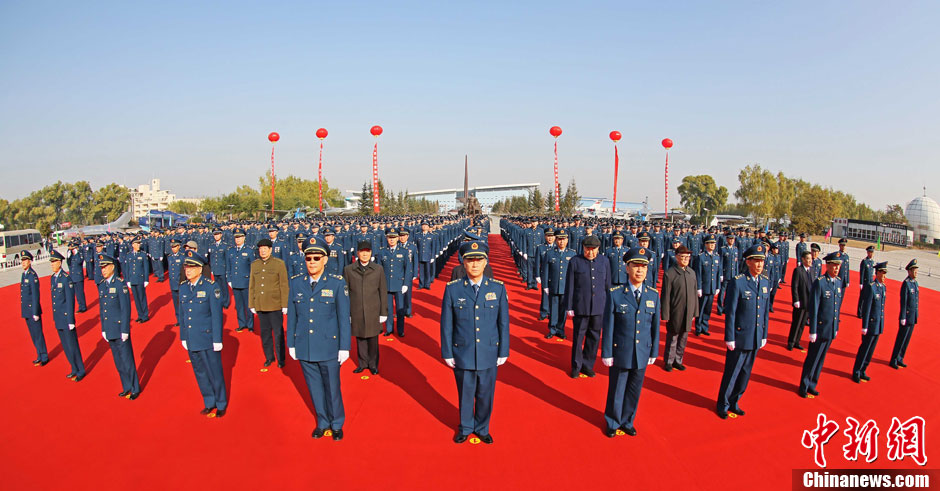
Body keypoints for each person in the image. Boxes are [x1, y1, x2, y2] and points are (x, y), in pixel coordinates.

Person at [441, 240, 509, 444]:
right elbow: (446, 323)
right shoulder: (453, 289)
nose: (475, 264)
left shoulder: (497, 288)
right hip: (463, 350)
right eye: (470, 260)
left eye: (479, 260)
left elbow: (503, 322)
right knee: (465, 392)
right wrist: (447, 352)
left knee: (486, 394)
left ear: (486, 262)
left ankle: (482, 427)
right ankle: (466, 426)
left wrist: (503, 350)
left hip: (489, 350)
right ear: (463, 263)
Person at [287, 237, 351, 441]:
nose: (312, 261)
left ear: (325, 260)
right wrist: (291, 343)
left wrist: (344, 347)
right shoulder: (296, 283)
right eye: (308, 258)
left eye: (316, 257)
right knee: (314, 388)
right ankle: (323, 422)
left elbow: (343, 317)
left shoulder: (337, 283)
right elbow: (292, 316)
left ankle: (337, 422)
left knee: (332, 388)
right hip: (305, 345)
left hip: (328, 346)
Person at [601, 246, 660, 437]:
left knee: (635, 390)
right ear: (627, 268)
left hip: (642, 350)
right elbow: (609, 326)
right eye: (635, 266)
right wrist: (607, 352)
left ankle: (627, 420)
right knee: (617, 389)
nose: (640, 270)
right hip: (621, 350)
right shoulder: (616, 293)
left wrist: (654, 351)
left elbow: (655, 327)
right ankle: (612, 421)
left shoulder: (653, 295)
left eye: (643, 266)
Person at [716, 244, 770, 419]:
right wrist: (729, 337)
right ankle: (723, 403)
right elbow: (730, 312)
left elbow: (765, 312)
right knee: (732, 372)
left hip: (755, 336)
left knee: (746, 373)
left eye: (762, 261)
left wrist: (764, 334)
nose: (760, 264)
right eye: (756, 261)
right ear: (748, 262)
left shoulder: (765, 282)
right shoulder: (738, 282)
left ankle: (735, 401)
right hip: (740, 336)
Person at [178, 251, 228, 417]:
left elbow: (216, 315)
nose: (188, 270)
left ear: (200, 269)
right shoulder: (184, 288)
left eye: (192, 267)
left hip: (207, 337)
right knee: (199, 372)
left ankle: (221, 402)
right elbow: (183, 315)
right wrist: (183, 336)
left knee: (214, 371)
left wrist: (217, 339)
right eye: (187, 267)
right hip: (192, 338)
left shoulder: (210, 287)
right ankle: (209, 401)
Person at [563, 235, 611, 378]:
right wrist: (569, 306)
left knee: (594, 337)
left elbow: (608, 285)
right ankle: (576, 366)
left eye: (593, 250)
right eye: (587, 249)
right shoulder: (575, 261)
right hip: (581, 306)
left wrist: (610, 305)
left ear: (598, 249)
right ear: (583, 248)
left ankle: (588, 365)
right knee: (578, 337)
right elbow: (570, 285)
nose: (590, 253)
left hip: (598, 306)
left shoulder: (604, 261)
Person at [797, 252, 843, 398]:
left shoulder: (838, 282)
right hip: (820, 327)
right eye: (834, 265)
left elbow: (837, 307)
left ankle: (813, 384)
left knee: (821, 358)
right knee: (813, 358)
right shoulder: (821, 282)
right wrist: (813, 330)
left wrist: (836, 326)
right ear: (827, 265)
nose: (836, 268)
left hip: (830, 327)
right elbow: (814, 307)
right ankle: (804, 385)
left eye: (838, 265)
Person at [97, 253, 141, 399]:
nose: (103, 270)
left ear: (112, 267)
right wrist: (103, 328)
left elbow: (125, 309)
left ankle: (135, 387)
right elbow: (102, 310)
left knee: (127, 359)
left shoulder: (119, 284)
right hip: (109, 328)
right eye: (101, 267)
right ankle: (126, 386)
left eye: (105, 267)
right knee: (118, 361)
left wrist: (125, 330)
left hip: (120, 328)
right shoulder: (102, 285)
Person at [343, 240, 388, 375]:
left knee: (373, 339)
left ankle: (373, 365)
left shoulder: (378, 269)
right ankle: (362, 363)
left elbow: (382, 291)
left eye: (367, 252)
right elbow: (346, 293)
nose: (364, 254)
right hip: (356, 309)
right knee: (360, 338)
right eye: (362, 252)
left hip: (373, 309)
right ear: (357, 253)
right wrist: (348, 312)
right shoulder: (349, 270)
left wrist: (383, 312)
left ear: (371, 253)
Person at [248, 238, 290, 369]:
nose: (263, 251)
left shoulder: (279, 264)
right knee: (265, 334)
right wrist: (251, 303)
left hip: (274, 304)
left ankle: (281, 358)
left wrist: (285, 304)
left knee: (278, 334)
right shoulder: (255, 265)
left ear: (270, 250)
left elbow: (284, 284)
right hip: (260, 304)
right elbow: (252, 285)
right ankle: (269, 357)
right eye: (260, 249)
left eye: (265, 249)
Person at [49, 250, 85, 380]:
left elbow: (70, 300)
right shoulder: (53, 278)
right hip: (58, 318)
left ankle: (80, 369)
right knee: (65, 346)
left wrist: (71, 320)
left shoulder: (66, 279)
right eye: (51, 262)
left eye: (54, 262)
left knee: (72, 345)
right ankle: (73, 368)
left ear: (60, 262)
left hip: (66, 317)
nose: (52, 265)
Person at [660, 245, 696, 371]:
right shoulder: (670, 273)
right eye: (683, 256)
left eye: (688, 257)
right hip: (675, 311)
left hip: (688, 311)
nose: (686, 259)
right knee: (673, 337)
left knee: (683, 338)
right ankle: (669, 361)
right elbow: (665, 296)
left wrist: (694, 311)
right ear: (676, 257)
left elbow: (694, 293)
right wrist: (665, 314)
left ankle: (678, 360)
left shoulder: (692, 272)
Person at [852, 261, 887, 383]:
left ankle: (863, 370)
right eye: (882, 273)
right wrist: (865, 326)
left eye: (885, 273)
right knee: (865, 349)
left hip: (878, 323)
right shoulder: (871, 287)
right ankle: (856, 371)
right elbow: (867, 308)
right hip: (871, 323)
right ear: (876, 273)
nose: (884, 276)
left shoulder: (883, 287)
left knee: (871, 350)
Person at [376, 228, 412, 337]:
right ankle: (389, 329)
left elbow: (408, 269)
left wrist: (406, 283)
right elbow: (378, 270)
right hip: (386, 285)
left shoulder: (404, 252)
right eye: (389, 238)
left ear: (397, 238)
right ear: (386, 238)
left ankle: (400, 330)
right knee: (388, 309)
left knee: (400, 309)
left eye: (394, 238)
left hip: (399, 285)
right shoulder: (382, 251)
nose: (392, 240)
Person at [542, 229, 576, 339]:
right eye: (559, 239)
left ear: (567, 240)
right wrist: (545, 286)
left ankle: (561, 329)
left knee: (563, 310)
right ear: (556, 240)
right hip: (553, 286)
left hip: (566, 287)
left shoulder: (572, 253)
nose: (561, 242)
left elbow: (574, 273)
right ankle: (552, 329)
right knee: (553, 309)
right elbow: (545, 270)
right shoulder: (550, 253)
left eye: (563, 239)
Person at [19, 250, 49, 366]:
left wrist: (35, 312)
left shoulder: (32, 275)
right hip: (27, 310)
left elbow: (36, 295)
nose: (23, 263)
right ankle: (39, 355)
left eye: (25, 260)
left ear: (30, 261)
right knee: (33, 335)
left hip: (33, 311)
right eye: (22, 261)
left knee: (38, 334)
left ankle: (44, 355)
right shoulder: (24, 274)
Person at [890, 259, 919, 368]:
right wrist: (903, 317)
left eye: (916, 270)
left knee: (906, 340)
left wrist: (916, 315)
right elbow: (904, 302)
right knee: (901, 339)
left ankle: (900, 358)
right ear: (909, 272)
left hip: (912, 316)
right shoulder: (906, 284)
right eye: (914, 271)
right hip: (906, 316)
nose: (916, 273)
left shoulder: (915, 283)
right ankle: (894, 359)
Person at [227, 228, 255, 332]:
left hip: (246, 282)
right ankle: (242, 323)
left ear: (244, 238)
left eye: (239, 237)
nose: (237, 239)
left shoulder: (249, 250)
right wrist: (229, 279)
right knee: (238, 306)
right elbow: (228, 266)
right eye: (236, 237)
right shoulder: (231, 250)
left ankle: (250, 325)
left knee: (248, 305)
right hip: (235, 281)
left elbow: (253, 267)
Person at [694, 234, 721, 335]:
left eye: (714, 243)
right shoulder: (700, 257)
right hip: (704, 287)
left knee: (708, 309)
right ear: (705, 244)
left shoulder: (716, 257)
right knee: (700, 308)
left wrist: (718, 286)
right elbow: (698, 273)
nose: (712, 245)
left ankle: (705, 327)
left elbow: (718, 273)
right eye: (710, 243)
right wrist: (698, 288)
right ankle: (698, 327)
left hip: (712, 287)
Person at [787, 251, 813, 351]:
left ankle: (797, 341)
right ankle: (791, 342)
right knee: (796, 323)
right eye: (808, 258)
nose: (810, 261)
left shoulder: (812, 271)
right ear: (803, 259)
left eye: (811, 259)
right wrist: (795, 300)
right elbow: (795, 286)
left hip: (808, 302)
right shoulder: (798, 270)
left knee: (802, 324)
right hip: (800, 301)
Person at [125, 237, 151, 323]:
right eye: (136, 244)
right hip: (132, 279)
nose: (138, 245)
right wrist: (127, 280)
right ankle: (140, 314)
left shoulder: (143, 254)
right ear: (133, 245)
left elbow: (146, 268)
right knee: (136, 298)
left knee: (142, 298)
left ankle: (145, 315)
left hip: (140, 279)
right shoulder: (129, 255)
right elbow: (127, 268)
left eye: (139, 243)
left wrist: (146, 279)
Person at [207, 229, 230, 309]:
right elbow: (212, 258)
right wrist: (212, 269)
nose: (216, 236)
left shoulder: (225, 245)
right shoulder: (212, 245)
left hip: (222, 268)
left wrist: (227, 270)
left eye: (218, 234)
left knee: (224, 286)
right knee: (217, 287)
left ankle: (226, 302)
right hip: (215, 269)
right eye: (215, 235)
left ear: (221, 235)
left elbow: (227, 258)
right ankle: (219, 301)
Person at [66, 241, 88, 312]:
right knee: (76, 294)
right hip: (73, 276)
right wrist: (68, 257)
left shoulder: (79, 254)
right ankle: (80, 306)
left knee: (80, 293)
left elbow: (79, 261)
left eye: (74, 248)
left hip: (78, 276)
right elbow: (69, 264)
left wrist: (77, 253)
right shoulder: (71, 256)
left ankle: (83, 307)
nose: (72, 250)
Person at [167, 239, 184, 325]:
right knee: (175, 303)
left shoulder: (182, 257)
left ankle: (184, 318)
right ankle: (178, 319)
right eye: (172, 247)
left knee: (182, 302)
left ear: (179, 246)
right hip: (173, 283)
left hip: (181, 283)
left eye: (175, 247)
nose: (173, 249)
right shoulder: (170, 257)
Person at [857, 246, 875, 317]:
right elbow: (862, 273)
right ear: (867, 252)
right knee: (862, 298)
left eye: (872, 252)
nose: (871, 254)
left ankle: (865, 311)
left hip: (870, 282)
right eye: (870, 252)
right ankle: (859, 312)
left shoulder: (872, 262)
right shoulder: (864, 261)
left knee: (868, 298)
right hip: (865, 282)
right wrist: (861, 283)